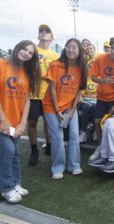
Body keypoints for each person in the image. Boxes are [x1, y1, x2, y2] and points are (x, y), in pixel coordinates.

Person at [0, 40, 41, 203]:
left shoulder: (25, 72)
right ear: (17, 48)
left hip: (15, 121)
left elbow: (26, 100)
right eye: (24, 49)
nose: (27, 53)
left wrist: (22, 123)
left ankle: (16, 183)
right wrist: (3, 120)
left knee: (16, 153)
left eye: (30, 53)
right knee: (9, 151)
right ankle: (6, 188)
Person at [43, 38, 87, 180]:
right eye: (68, 47)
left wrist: (73, 109)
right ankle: (58, 167)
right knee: (58, 137)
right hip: (52, 107)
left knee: (74, 135)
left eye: (74, 47)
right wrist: (57, 111)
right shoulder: (55, 65)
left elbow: (79, 90)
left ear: (79, 50)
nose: (70, 50)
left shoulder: (82, 67)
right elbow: (52, 90)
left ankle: (74, 165)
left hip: (70, 106)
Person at [27, 24, 59, 165]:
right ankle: (34, 151)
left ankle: (49, 145)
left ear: (52, 37)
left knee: (48, 123)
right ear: (38, 35)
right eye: (41, 31)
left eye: (47, 31)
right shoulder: (32, 50)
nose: (43, 33)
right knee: (32, 122)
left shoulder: (55, 55)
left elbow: (56, 76)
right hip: (33, 94)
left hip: (48, 95)